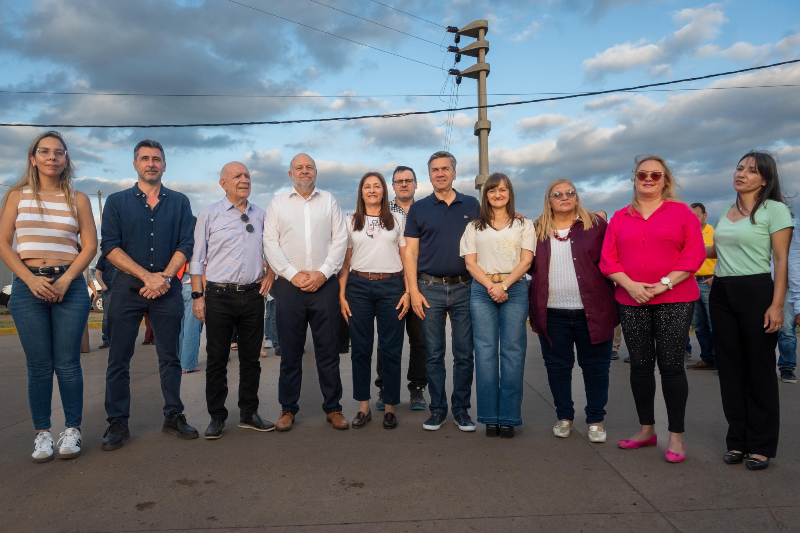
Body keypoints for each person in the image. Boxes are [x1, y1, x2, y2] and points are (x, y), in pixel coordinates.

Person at [600, 155, 705, 463]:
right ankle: (647, 430)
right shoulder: (621, 217)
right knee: (641, 366)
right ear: (634, 178)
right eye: (642, 174)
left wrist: (663, 284)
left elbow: (693, 255)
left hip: (674, 299)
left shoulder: (682, 213)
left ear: (665, 181)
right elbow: (608, 259)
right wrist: (631, 285)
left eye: (655, 175)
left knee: (671, 366)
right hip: (632, 300)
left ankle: (676, 436)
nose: (648, 179)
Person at [0, 131, 97, 463]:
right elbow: (3, 243)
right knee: (39, 366)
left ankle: (72, 429)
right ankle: (42, 433)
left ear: (66, 159)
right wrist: (28, 279)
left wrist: (68, 279)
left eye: (59, 152)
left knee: (68, 364)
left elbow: (90, 246)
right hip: (29, 287)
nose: (52, 157)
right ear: (33, 158)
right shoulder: (17, 196)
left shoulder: (78, 198)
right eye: (45, 152)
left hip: (69, 287)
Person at [100, 139, 197, 451]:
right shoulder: (116, 202)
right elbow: (110, 247)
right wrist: (146, 276)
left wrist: (164, 277)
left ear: (164, 165)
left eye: (157, 158)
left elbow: (186, 244)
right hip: (126, 289)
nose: (151, 163)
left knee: (170, 356)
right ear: (135, 164)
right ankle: (117, 421)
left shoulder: (180, 202)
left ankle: (173, 415)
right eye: (145, 158)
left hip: (167, 290)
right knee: (119, 358)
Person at [706, 151, 792, 470]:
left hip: (756, 291)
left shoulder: (775, 210)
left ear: (765, 180)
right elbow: (719, 248)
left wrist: (777, 305)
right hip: (722, 293)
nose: (741, 173)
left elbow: (780, 259)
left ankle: (761, 445)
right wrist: (683, 250)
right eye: (739, 167)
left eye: (751, 171)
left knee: (759, 371)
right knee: (730, 370)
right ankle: (738, 441)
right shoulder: (727, 211)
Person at [263, 153, 349, 431]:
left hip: (324, 286)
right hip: (289, 287)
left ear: (316, 172)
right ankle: (287, 409)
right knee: (290, 352)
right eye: (298, 168)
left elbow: (340, 240)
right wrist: (292, 274)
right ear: (290, 174)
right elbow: (270, 243)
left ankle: (333, 408)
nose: (304, 171)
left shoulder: (330, 201)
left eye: (309, 167)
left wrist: (322, 273)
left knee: (328, 351)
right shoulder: (278, 203)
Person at [191, 161, 274, 439]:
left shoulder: (261, 215)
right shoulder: (209, 214)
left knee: (251, 360)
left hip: (252, 295)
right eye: (237, 176)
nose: (244, 179)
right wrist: (197, 296)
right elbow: (197, 259)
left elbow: (274, 250)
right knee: (217, 359)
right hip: (218, 295)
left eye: (247, 175)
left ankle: (249, 413)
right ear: (223, 183)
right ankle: (217, 416)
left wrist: (270, 274)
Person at [530, 180, 616, 443]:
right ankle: (564, 417)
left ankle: (596, 420)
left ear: (577, 197)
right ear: (549, 199)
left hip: (592, 310)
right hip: (552, 312)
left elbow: (613, 260)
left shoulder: (596, 226)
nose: (564, 197)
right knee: (557, 367)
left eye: (570, 193)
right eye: (557, 194)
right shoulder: (536, 229)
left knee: (596, 368)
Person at [405, 151, 481, 432]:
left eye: (445, 169)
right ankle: (437, 409)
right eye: (435, 169)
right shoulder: (419, 209)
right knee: (433, 353)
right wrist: (413, 290)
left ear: (454, 173)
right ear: (429, 175)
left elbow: (489, 234)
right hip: (429, 288)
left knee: (464, 353)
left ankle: (461, 409)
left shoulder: (472, 205)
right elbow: (410, 253)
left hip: (465, 287)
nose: (440, 173)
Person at [461, 173, 534, 439]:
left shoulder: (523, 224)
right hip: (482, 290)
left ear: (510, 193)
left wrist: (504, 286)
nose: (498, 194)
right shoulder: (474, 227)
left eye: (503, 189)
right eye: (492, 190)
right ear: (486, 195)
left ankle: (510, 418)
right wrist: (492, 287)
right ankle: (490, 417)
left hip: (514, 288)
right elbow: (470, 262)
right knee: (485, 352)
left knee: (513, 352)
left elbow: (526, 262)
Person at [339, 171, 410, 429]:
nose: (371, 190)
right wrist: (341, 294)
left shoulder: (397, 219)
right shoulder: (350, 221)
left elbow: (406, 259)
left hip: (392, 286)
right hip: (358, 287)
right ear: (361, 192)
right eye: (367, 186)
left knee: (391, 349)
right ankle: (364, 407)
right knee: (360, 349)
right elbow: (345, 262)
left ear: (384, 191)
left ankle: (390, 408)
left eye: (376, 186)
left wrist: (408, 291)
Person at [374, 166, 428, 411]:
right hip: (393, 283)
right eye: (399, 181)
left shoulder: (426, 209)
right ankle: (384, 388)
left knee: (420, 339)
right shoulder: (383, 213)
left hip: (423, 282)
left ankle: (417, 388)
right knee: (387, 340)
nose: (404, 184)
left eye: (409, 180)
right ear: (392, 186)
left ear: (416, 184)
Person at [686, 203, 717, 370]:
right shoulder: (687, 233)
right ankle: (707, 359)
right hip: (691, 282)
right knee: (699, 325)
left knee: (714, 324)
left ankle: (721, 362)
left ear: (705, 216)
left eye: (696, 216)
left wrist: (715, 276)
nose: (693, 219)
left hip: (709, 283)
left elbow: (725, 255)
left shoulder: (714, 233)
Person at [596, 210, 624, 362]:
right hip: (595, 277)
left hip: (613, 276)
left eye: (601, 218)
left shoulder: (613, 233)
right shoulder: (589, 234)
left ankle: (614, 347)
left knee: (614, 312)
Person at [177, 218, 203, 374]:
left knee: (180, 327)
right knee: (193, 327)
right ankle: (188, 364)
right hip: (193, 285)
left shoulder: (178, 241)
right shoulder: (197, 243)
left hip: (178, 285)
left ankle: (179, 361)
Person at [95, 253, 117, 349]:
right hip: (108, 290)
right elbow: (97, 274)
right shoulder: (104, 256)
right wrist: (104, 287)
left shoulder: (124, 254)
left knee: (121, 316)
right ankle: (106, 340)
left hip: (120, 290)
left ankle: (118, 340)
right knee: (107, 317)